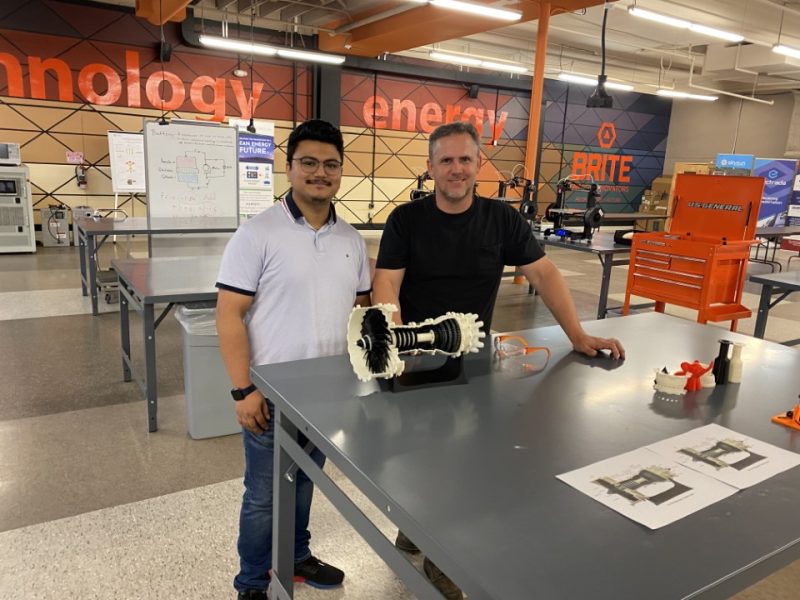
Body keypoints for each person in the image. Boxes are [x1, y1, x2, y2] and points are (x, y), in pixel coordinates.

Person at [372, 121, 624, 600]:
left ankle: (442, 558)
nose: (456, 169)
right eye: (446, 160)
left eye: (465, 159)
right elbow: (386, 282)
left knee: (465, 460)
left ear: (479, 165)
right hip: (416, 364)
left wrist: (577, 334)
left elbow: (544, 273)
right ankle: (414, 524)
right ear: (430, 168)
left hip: (473, 363)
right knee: (418, 454)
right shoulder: (406, 220)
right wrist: (401, 340)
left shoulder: (501, 220)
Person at [216, 119, 372, 599]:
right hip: (270, 396)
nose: (320, 172)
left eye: (330, 164)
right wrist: (243, 389)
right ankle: (251, 582)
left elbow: (362, 312)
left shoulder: (351, 240)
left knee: (305, 482)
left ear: (340, 171)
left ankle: (296, 556)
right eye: (309, 162)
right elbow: (229, 314)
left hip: (326, 395)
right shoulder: (257, 233)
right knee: (264, 496)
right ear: (289, 168)